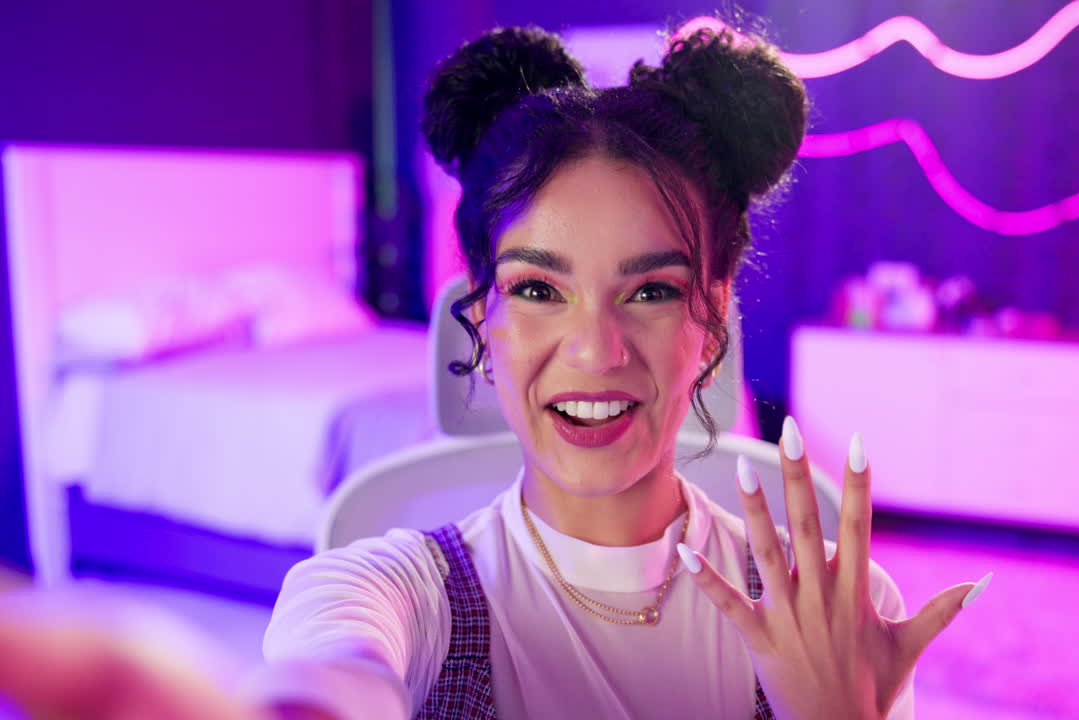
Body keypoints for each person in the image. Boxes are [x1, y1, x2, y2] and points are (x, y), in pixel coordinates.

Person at [254, 23, 989, 720]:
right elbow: (334, 673)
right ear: (482, 320)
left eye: (651, 292)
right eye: (539, 291)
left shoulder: (833, 605)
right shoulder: (385, 593)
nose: (596, 350)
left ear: (712, 318)